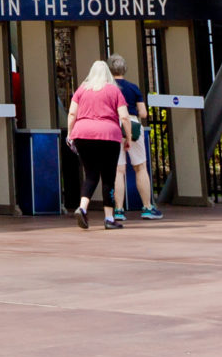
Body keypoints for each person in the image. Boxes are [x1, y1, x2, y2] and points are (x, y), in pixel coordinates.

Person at [65, 60, 127, 229]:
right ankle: (109, 218)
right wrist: (127, 137)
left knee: (91, 174)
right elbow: (124, 117)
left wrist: (70, 134)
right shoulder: (114, 90)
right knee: (108, 176)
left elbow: (72, 113)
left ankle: (82, 208)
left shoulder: (81, 90)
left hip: (83, 134)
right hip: (109, 135)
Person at [108, 56, 162, 222]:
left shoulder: (108, 88)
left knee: (118, 170)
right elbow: (144, 113)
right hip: (132, 123)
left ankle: (118, 210)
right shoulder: (133, 88)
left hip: (113, 125)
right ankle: (146, 207)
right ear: (124, 69)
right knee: (140, 167)